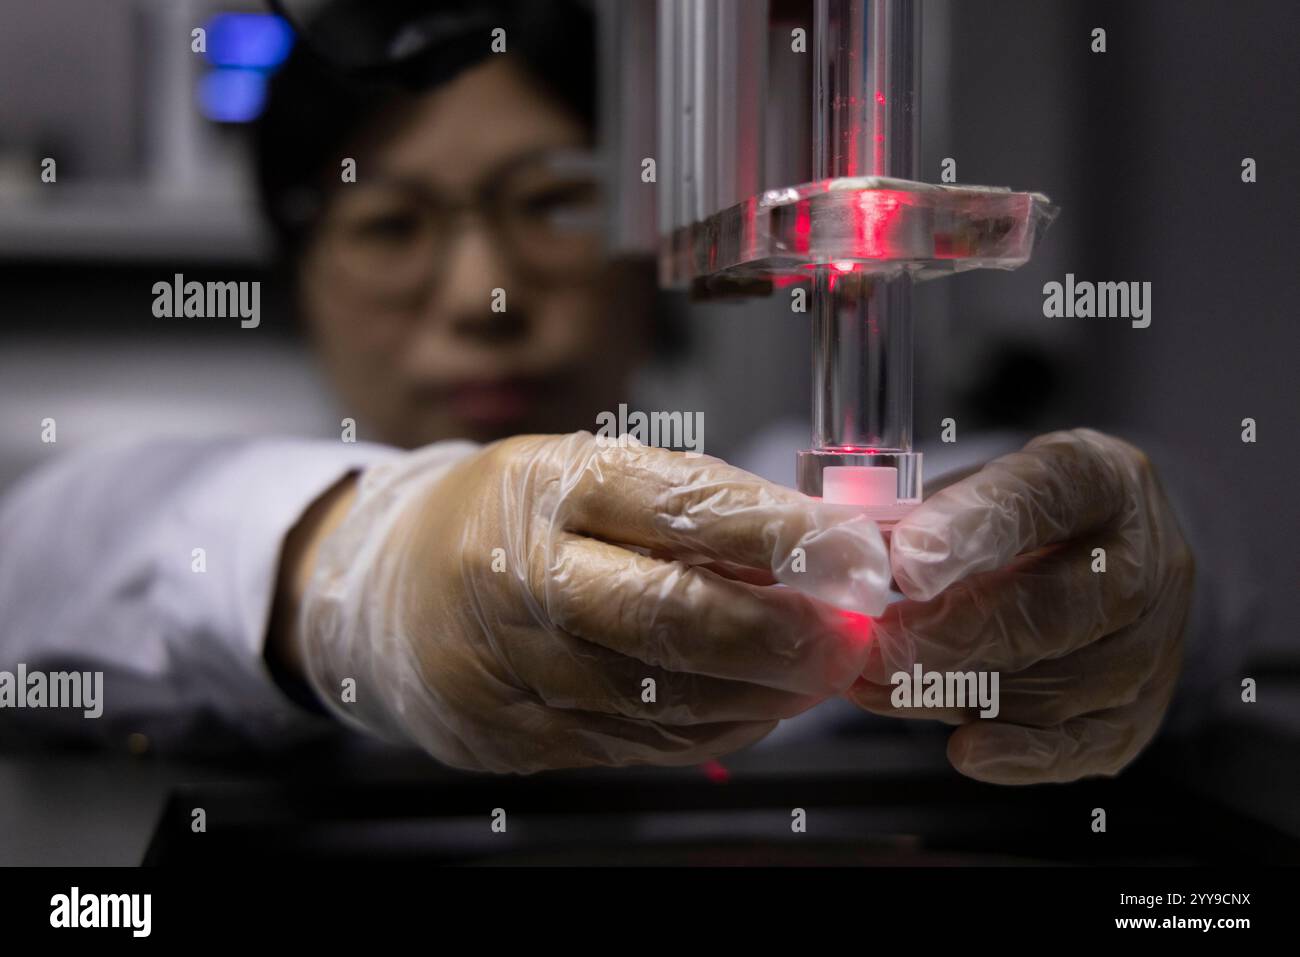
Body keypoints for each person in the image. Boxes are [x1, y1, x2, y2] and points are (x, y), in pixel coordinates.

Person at [0, 1, 1200, 783]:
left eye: (551, 202)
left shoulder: (814, 529)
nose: (484, 296)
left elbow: (1206, 555)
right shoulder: (221, 529)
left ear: (653, 244)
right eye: (390, 222)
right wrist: (368, 571)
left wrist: (1111, 564)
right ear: (296, 269)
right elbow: (50, 552)